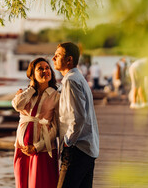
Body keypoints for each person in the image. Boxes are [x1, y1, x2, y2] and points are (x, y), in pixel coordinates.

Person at [52, 42, 99, 188]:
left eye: (58, 55)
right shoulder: (78, 78)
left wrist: (68, 142)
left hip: (77, 148)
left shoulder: (71, 80)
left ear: (69, 60)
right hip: (86, 147)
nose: (53, 58)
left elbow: (78, 117)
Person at [12, 57, 60, 188]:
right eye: (40, 69)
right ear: (32, 74)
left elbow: (55, 128)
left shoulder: (56, 96)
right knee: (21, 185)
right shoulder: (26, 94)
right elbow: (16, 105)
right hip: (21, 149)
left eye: (47, 68)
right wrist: (31, 89)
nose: (45, 71)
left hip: (42, 150)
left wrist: (37, 146)